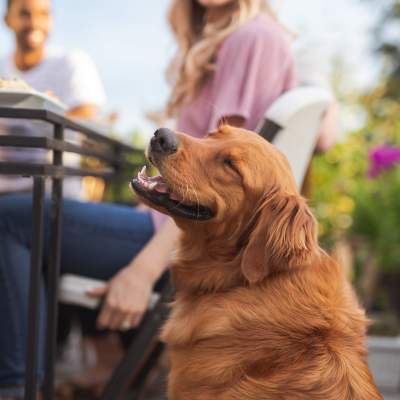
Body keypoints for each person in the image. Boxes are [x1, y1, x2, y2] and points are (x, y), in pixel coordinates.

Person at [0, 0, 296, 398]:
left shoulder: (253, 38)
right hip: (162, 221)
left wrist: (142, 272)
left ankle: (19, 387)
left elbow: (216, 192)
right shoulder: (238, 38)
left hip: (173, 237)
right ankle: (101, 365)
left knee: (13, 218)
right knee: (49, 215)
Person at [0, 0, 106, 198]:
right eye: (24, 14)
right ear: (7, 19)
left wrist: (51, 110)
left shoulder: (72, 63)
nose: (34, 23)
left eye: (43, 14)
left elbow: (88, 116)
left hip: (56, 195)